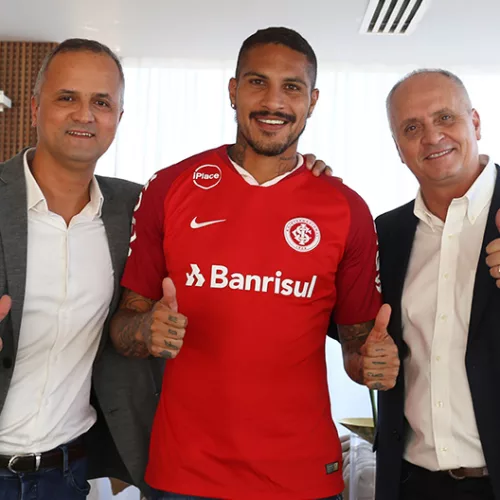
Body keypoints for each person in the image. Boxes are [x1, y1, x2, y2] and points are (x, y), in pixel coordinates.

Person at [110, 26, 399, 500]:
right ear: (233, 90)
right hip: (184, 473)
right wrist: (144, 332)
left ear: (313, 100)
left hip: (301, 473)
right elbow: (124, 326)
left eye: (292, 87)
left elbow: (358, 349)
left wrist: (374, 363)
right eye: (257, 82)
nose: (273, 101)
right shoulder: (169, 187)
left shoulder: (346, 209)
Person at [0, 39, 163, 499]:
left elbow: (225, 201)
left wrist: (299, 173)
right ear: (35, 108)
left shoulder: (136, 209)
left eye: (102, 102)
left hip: (66, 473)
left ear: (118, 118)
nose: (84, 115)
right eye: (67, 97)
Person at [375, 69, 500, 500]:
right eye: (412, 128)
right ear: (398, 149)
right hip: (411, 483)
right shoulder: (384, 234)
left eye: (445, 117)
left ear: (476, 122)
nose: (431, 136)